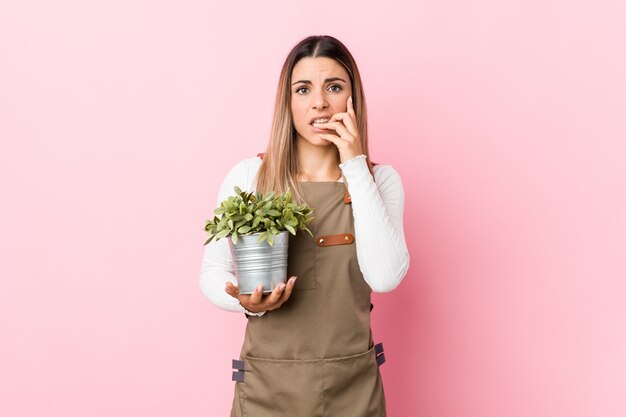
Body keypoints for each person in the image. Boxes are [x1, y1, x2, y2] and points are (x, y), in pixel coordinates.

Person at [199, 35, 410, 417]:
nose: (319, 102)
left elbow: (384, 278)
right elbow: (213, 271)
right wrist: (242, 299)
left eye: (334, 87)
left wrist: (354, 164)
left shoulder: (381, 181)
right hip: (267, 390)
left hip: (353, 391)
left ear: (352, 98)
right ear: (288, 102)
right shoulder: (250, 176)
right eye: (303, 89)